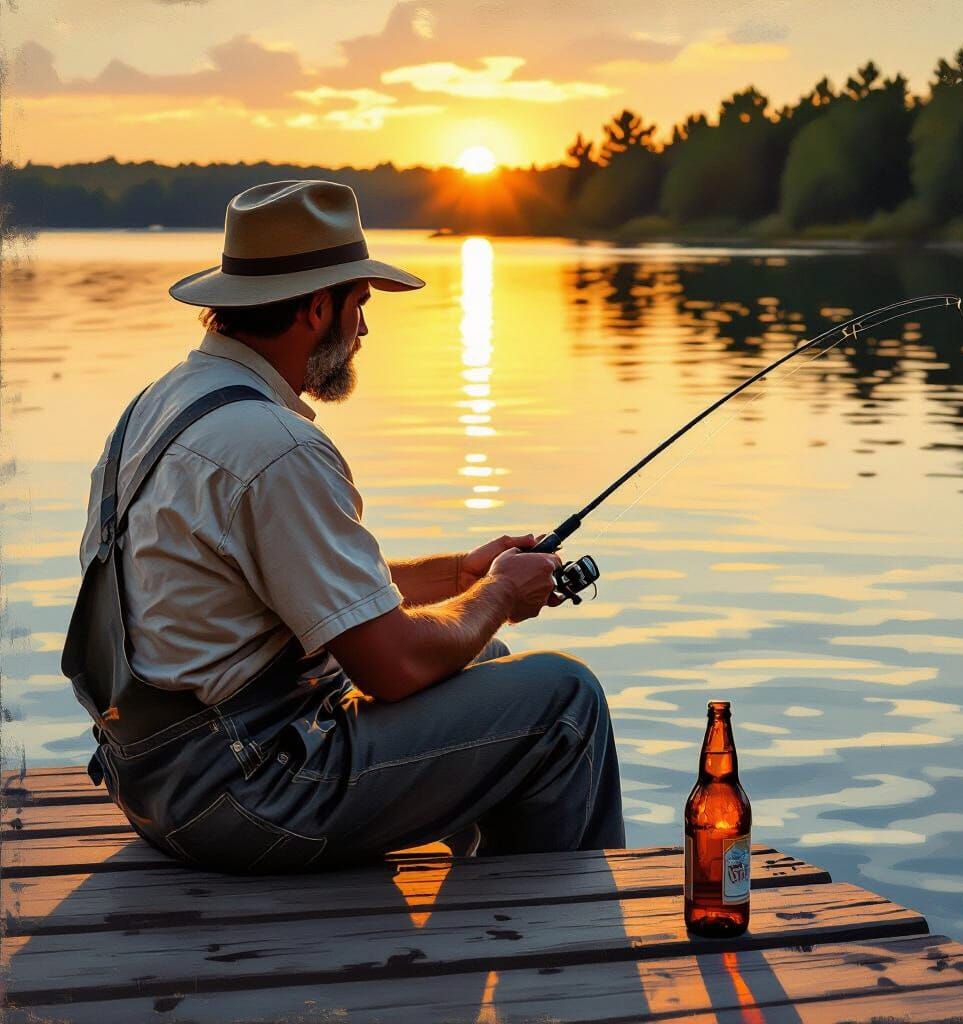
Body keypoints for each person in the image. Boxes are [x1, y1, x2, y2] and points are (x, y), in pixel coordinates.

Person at [63, 179, 626, 872]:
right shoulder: (276, 447)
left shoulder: (159, 407)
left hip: (154, 782)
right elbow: (391, 668)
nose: (363, 330)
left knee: (486, 663)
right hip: (244, 797)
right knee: (566, 702)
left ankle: (501, 904)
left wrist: (461, 577)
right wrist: (501, 596)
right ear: (318, 306)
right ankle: (569, 930)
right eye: (359, 305)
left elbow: (287, 587)